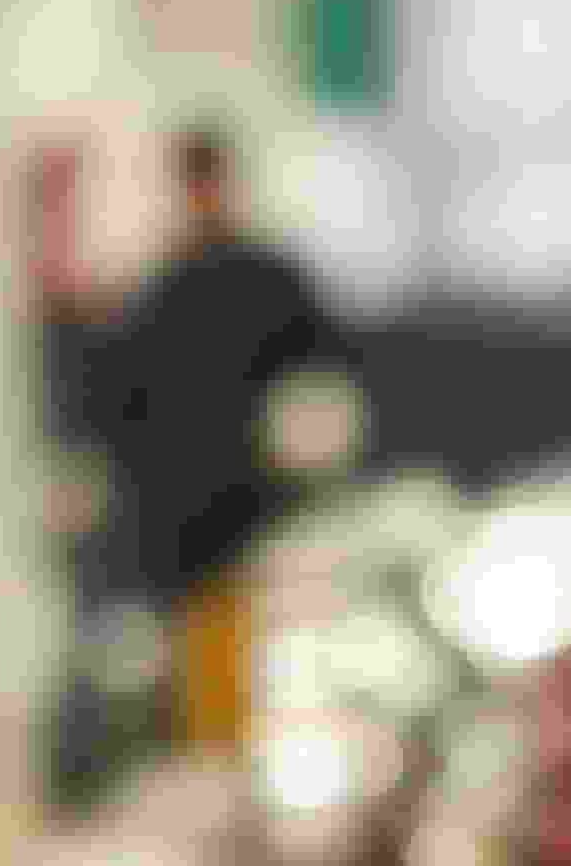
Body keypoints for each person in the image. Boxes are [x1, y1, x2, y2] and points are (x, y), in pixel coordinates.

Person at [72, 121, 363, 755]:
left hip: (251, 510)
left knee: (266, 664)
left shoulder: (262, 279)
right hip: (183, 518)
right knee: (206, 680)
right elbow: (121, 407)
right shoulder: (161, 290)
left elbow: (329, 373)